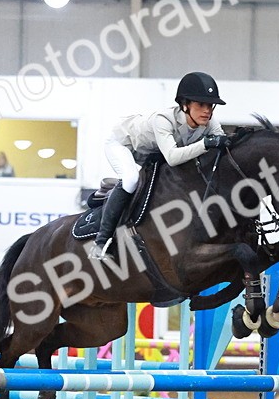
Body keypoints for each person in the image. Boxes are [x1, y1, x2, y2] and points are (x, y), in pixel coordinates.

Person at [91, 71, 229, 260]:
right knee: (131, 180)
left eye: (210, 105)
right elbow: (172, 157)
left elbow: (221, 143)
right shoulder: (163, 120)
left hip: (151, 155)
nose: (207, 110)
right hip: (122, 144)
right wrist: (205, 144)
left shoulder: (210, 122)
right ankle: (101, 242)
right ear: (185, 105)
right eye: (201, 104)